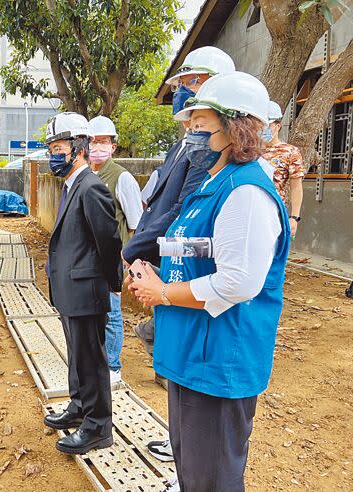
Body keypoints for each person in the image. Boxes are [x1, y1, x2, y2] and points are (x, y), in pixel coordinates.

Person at [129, 71, 291, 492]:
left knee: (212, 477)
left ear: (233, 125)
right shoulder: (214, 183)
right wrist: (161, 272)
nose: (189, 132)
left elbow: (239, 281)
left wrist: (162, 293)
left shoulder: (246, 192)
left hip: (220, 361)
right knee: (192, 468)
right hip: (193, 353)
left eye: (199, 123)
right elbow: (206, 250)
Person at [122, 46, 236, 463]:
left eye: (193, 83)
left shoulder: (224, 166)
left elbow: (182, 208)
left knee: (193, 368)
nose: (184, 93)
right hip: (170, 259)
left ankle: (188, 458)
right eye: (182, 84)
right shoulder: (187, 143)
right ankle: (180, 450)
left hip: (191, 271)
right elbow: (159, 200)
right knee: (176, 367)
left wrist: (138, 246)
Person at [42, 112, 122, 455]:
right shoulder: (71, 185)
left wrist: (112, 282)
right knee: (77, 356)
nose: (53, 155)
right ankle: (79, 406)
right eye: (51, 149)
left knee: (91, 358)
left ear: (79, 148)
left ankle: (98, 426)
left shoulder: (92, 188)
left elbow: (109, 242)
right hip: (70, 290)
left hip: (86, 290)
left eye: (59, 148)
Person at [88, 115, 143, 387]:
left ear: (113, 145)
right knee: (92, 311)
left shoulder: (122, 178)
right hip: (87, 259)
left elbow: (135, 225)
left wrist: (127, 263)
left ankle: (112, 367)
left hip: (112, 259)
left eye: (103, 141)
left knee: (111, 313)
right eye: (92, 141)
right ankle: (96, 362)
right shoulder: (84, 175)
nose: (97, 147)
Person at [263, 101, 305, 238]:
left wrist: (294, 217)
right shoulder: (248, 151)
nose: (263, 130)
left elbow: (296, 187)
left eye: (267, 125)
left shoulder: (290, 152)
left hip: (274, 212)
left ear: (277, 126)